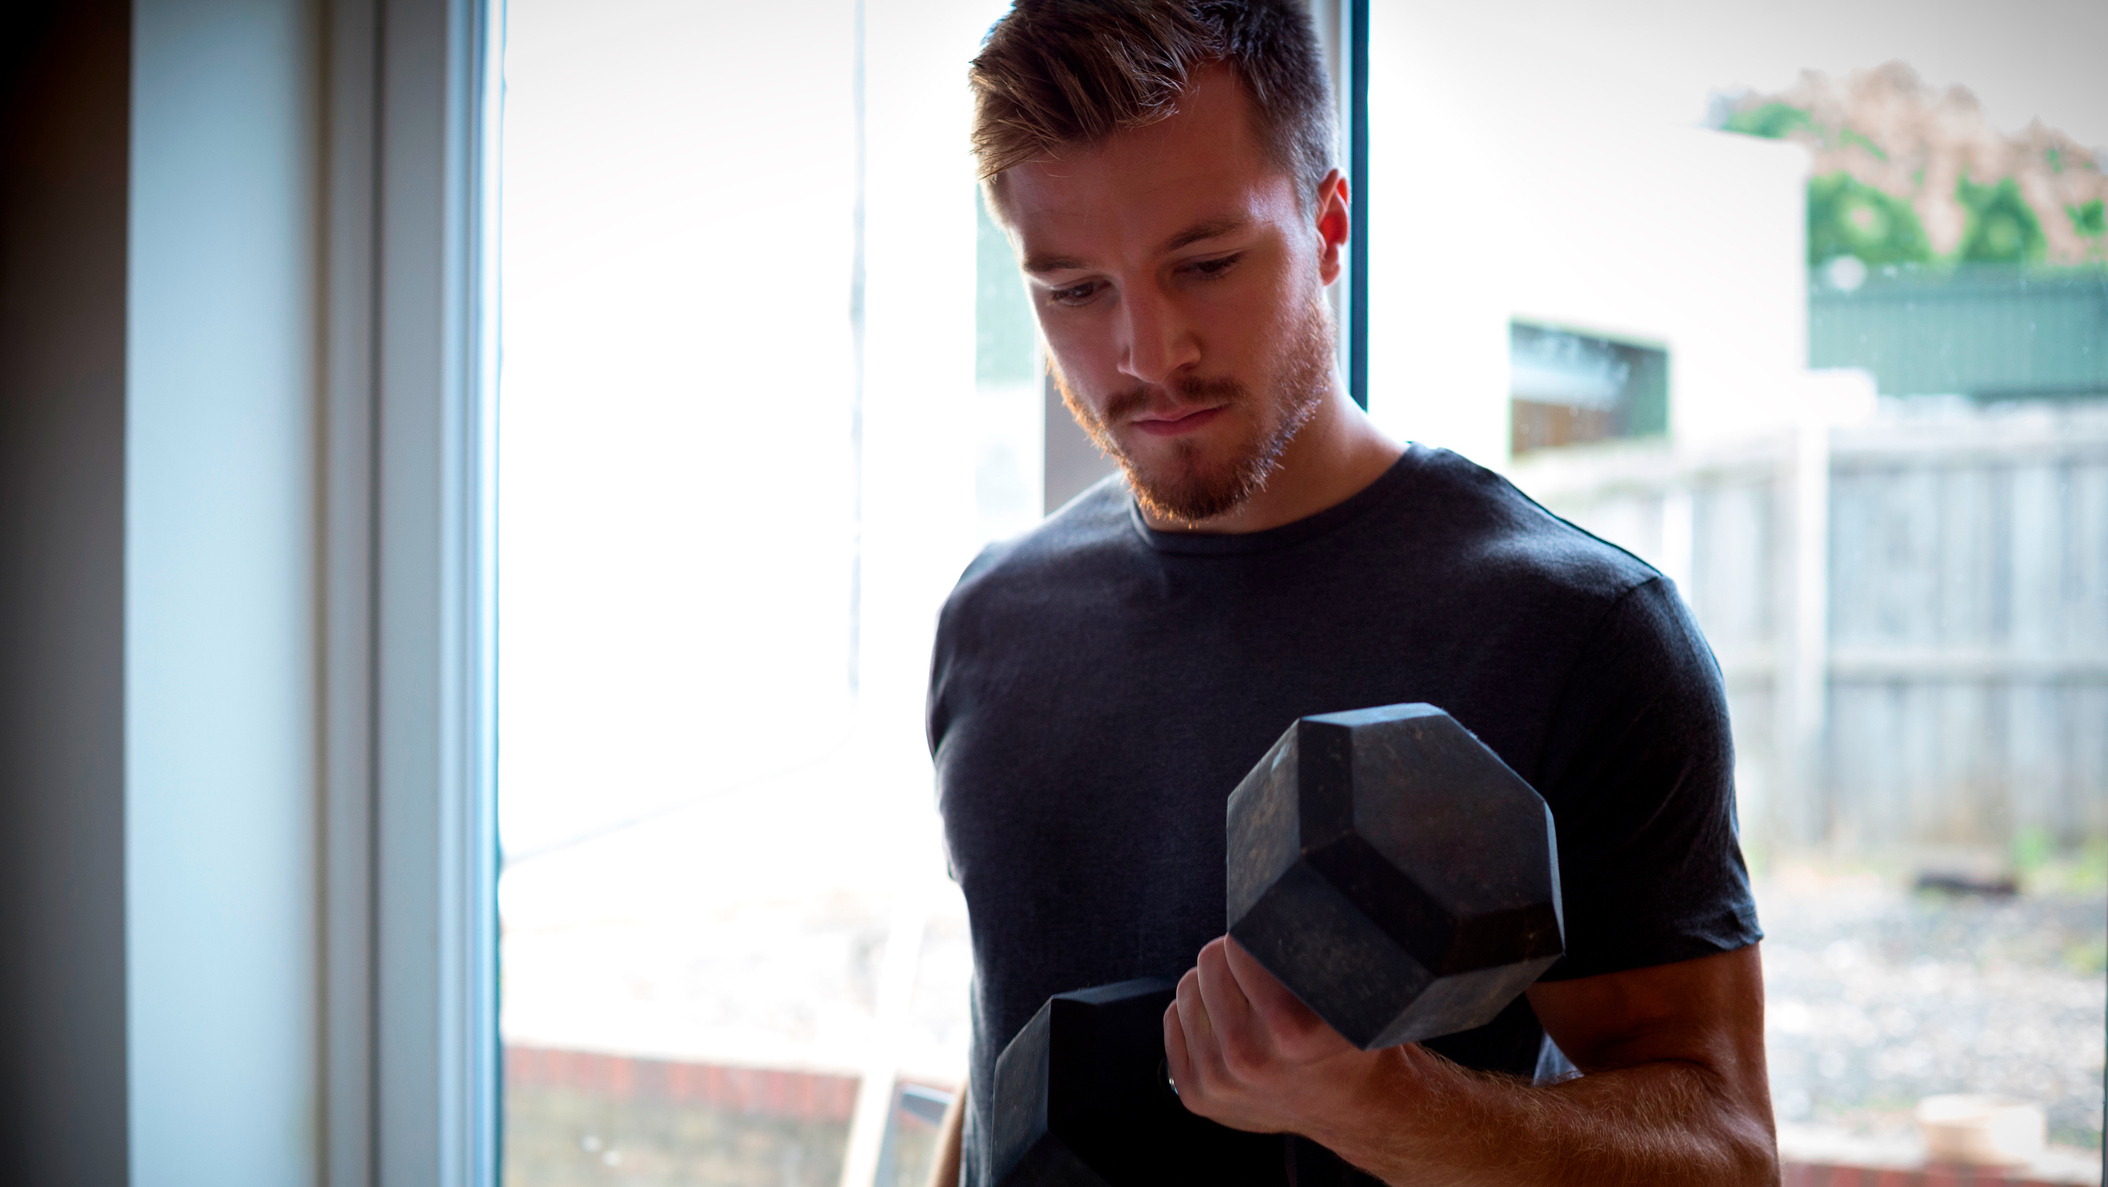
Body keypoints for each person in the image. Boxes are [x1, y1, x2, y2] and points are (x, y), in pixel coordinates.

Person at [923, 2, 1776, 1183]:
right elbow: (1001, 1049)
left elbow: (1725, 1156)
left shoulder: (1577, 633)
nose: (1144, 352)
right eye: (1072, 289)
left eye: (1205, 263)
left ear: (1326, 223)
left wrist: (1372, 1101)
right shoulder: (991, 618)